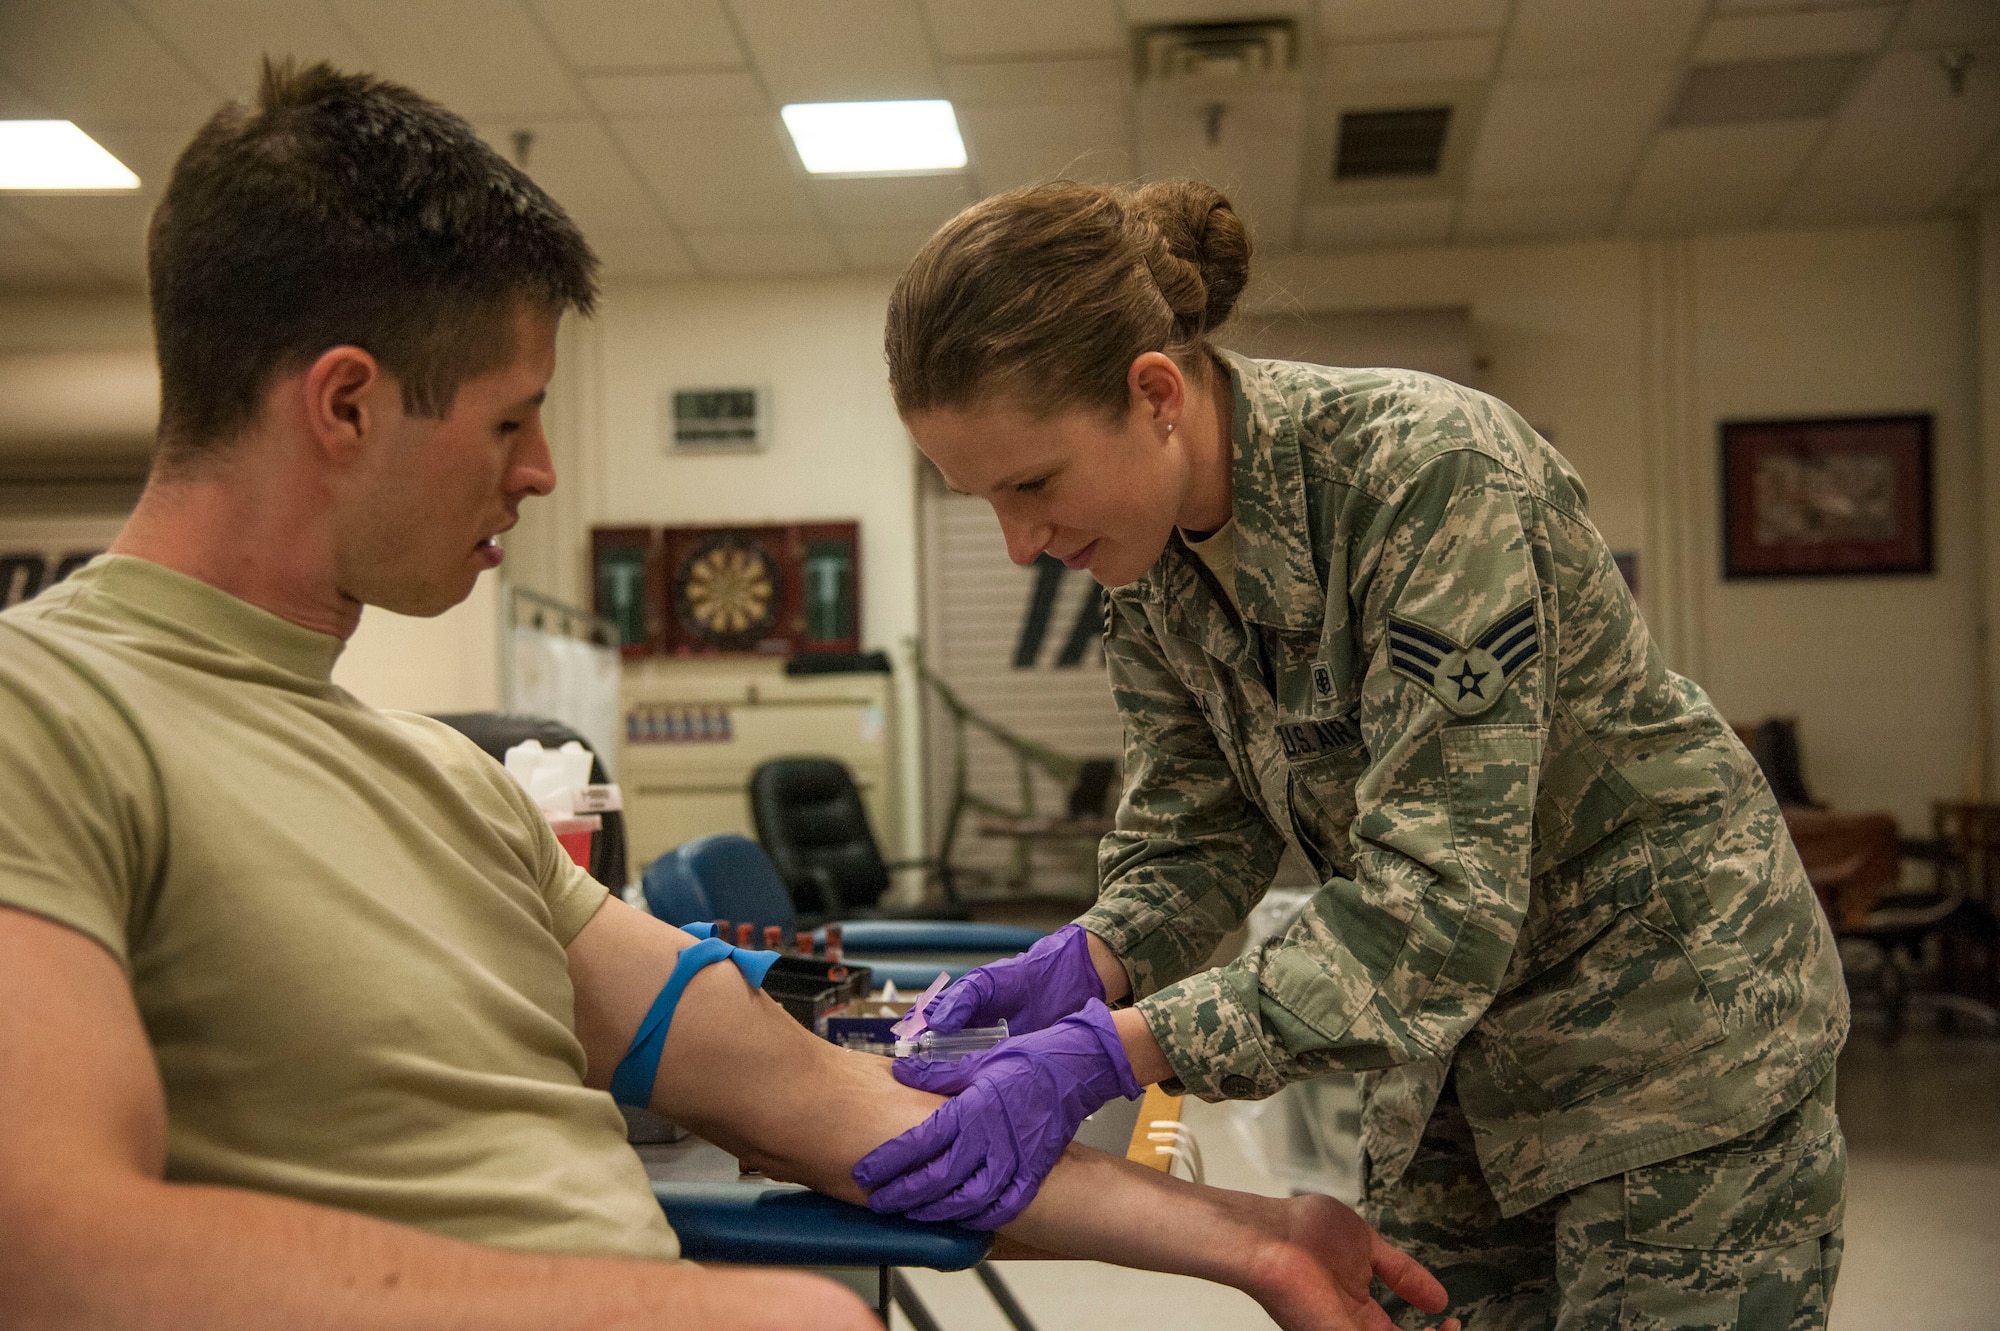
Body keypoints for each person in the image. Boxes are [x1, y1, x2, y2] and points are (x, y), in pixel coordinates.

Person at [0, 67, 1460, 1331]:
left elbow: (806, 1097)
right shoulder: (44, 716)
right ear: (345, 403)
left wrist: (1256, 1233)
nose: (545, 471)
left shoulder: (440, 784)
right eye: (512, 418)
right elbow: (52, 1254)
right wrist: (717, 1304)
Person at [854, 179, 1851, 1329]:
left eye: (1032, 484)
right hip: (1460, 1067)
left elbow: (1433, 911)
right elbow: (1193, 839)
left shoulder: (1428, 478)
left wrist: (1112, 1049)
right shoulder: (1147, 568)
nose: (1020, 544)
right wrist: (1094, 957)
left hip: (1675, 1039)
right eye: (982, 500)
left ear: (1154, 393)